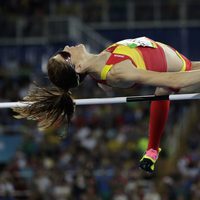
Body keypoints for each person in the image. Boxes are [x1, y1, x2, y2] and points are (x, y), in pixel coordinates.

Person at [13, 36, 200, 173]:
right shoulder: (117, 72)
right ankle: (152, 149)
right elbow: (174, 81)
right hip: (185, 76)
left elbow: (103, 84)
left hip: (188, 65)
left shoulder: (100, 63)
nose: (66, 46)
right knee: (162, 92)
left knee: (163, 91)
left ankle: (152, 149)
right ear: (78, 68)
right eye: (64, 54)